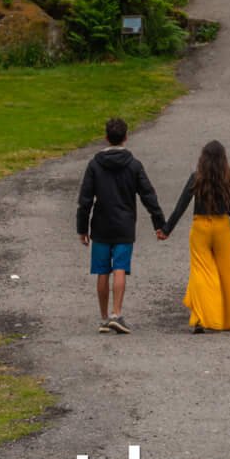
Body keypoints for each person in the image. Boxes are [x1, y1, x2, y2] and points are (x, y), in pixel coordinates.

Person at [75, 116, 167, 334]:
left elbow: (85, 198)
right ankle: (117, 313)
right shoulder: (133, 165)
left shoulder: (95, 165)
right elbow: (148, 195)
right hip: (125, 224)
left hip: (101, 224)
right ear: (126, 137)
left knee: (102, 271)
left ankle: (104, 317)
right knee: (120, 268)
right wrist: (159, 222)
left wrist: (82, 228)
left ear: (106, 138)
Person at [164, 138, 230, 333]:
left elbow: (181, 206)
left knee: (201, 272)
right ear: (224, 159)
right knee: (229, 273)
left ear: (203, 158)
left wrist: (166, 230)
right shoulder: (228, 179)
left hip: (200, 227)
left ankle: (202, 317)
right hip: (222, 227)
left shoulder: (196, 177)